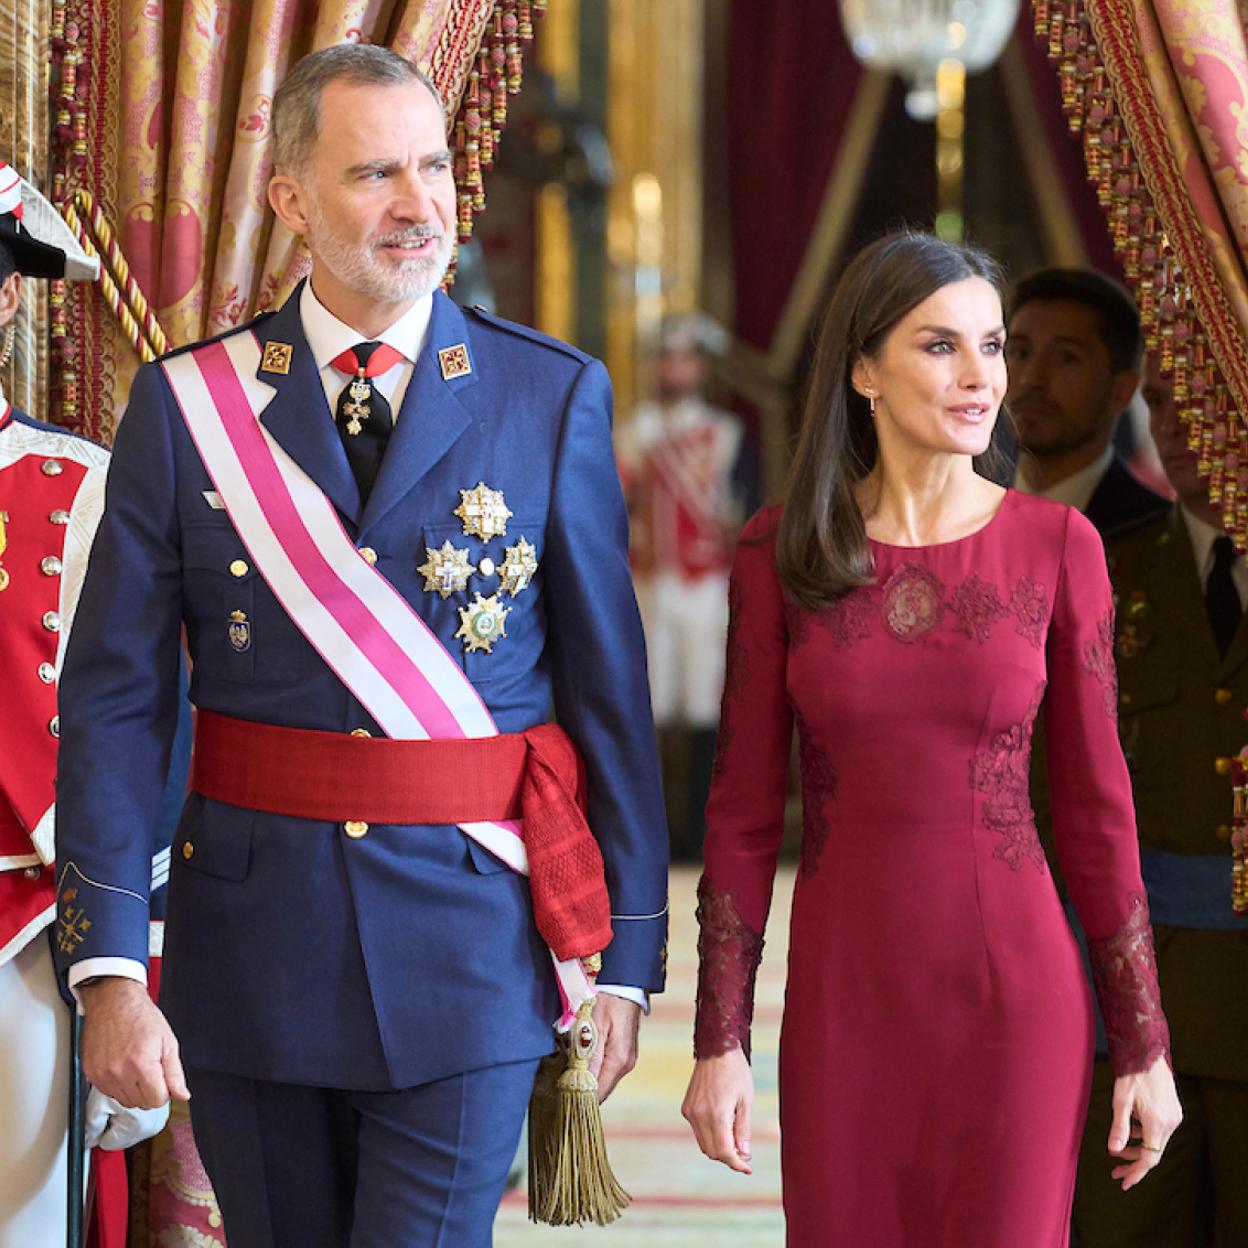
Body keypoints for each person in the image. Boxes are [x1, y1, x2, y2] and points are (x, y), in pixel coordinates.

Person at [51, 44, 667, 1247]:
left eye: (433, 167)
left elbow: (609, 696)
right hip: (252, 949)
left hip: (473, 950)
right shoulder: (188, 411)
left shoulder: (547, 397)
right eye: (375, 172)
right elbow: (118, 705)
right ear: (287, 198)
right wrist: (112, 968)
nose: (419, 204)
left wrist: (628, 955)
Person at [681, 231, 1181, 1247]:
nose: (982, 377)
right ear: (863, 369)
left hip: (1018, 1004)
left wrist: (1143, 1044)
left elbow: (1096, 813)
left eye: (992, 347)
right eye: (941, 346)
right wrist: (719, 1041)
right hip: (842, 1005)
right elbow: (736, 819)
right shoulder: (778, 551)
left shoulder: (1058, 546)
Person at [0, 161, 178, 1245]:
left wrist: (128, 976)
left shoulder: (85, 488)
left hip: (27, 943)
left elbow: (140, 759)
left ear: (10, 294)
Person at [1069, 357, 1248, 1247]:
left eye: (1203, 403)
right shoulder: (1109, 570)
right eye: (1162, 405)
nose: (1175, 426)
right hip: (1140, 1005)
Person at [618, 314, 742, 858]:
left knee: (703, 705)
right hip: (648, 580)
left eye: (685, 358)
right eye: (666, 358)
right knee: (649, 704)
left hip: (706, 584)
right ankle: (651, 832)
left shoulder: (723, 432)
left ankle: (700, 830)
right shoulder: (632, 430)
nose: (674, 368)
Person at [1006, 267, 1170, 534]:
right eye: (1020, 352)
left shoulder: (1157, 531)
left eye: (1066, 358)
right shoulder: (959, 518)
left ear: (1121, 390)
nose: (1030, 380)